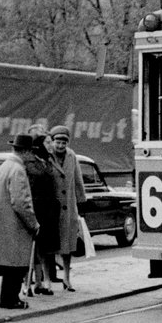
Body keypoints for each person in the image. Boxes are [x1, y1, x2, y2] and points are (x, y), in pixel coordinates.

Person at [0, 134, 39, 309]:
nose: (33, 156)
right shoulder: (18, 170)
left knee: (9, 265)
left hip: (4, 222)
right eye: (32, 152)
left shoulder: (6, 166)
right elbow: (21, 202)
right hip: (15, 225)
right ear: (25, 152)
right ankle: (11, 299)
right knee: (16, 265)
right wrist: (33, 223)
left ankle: (7, 298)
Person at [49, 125, 88, 291]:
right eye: (57, 142)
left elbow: (78, 180)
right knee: (49, 245)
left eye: (63, 143)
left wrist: (81, 201)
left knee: (67, 245)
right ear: (52, 142)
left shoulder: (72, 156)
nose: (60, 146)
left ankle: (66, 277)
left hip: (69, 208)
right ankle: (46, 279)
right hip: (51, 207)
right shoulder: (47, 156)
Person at [23, 134, 61, 296]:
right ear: (39, 144)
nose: (51, 144)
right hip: (36, 207)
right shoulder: (29, 162)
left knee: (46, 249)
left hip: (49, 209)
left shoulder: (49, 160)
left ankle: (45, 281)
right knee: (32, 248)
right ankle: (29, 282)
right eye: (47, 142)